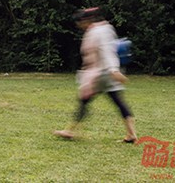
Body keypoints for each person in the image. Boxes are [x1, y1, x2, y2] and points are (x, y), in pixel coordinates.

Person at [54, 7, 137, 143]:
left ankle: (69, 130)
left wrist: (113, 70)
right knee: (117, 101)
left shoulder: (99, 31)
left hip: (101, 74)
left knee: (84, 101)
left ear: (86, 20)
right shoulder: (101, 29)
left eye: (80, 22)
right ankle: (131, 134)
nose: (79, 25)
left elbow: (107, 50)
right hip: (104, 73)